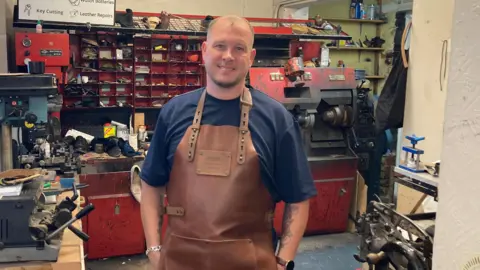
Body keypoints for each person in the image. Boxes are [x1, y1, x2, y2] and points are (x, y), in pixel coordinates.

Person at [140, 15, 317, 270]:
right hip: (179, 262)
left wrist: (282, 260)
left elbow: (298, 198)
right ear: (204, 51)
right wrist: (155, 250)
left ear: (251, 57)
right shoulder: (174, 112)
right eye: (220, 46)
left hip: (252, 263)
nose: (228, 56)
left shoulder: (276, 119)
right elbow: (151, 184)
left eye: (239, 48)